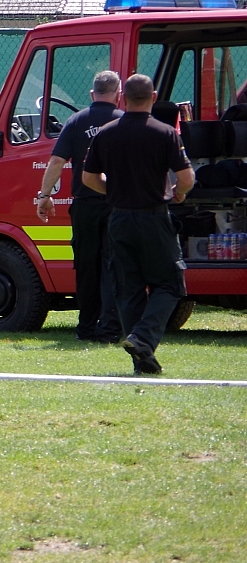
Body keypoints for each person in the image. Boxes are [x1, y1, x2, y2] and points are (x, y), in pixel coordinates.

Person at [80, 73, 194, 375]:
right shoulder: (165, 132)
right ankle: (143, 338)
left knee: (128, 289)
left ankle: (142, 360)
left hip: (119, 218)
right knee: (170, 284)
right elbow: (186, 178)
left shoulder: (105, 133)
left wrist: (114, 192)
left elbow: (88, 178)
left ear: (123, 98)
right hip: (154, 217)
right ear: (153, 98)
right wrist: (179, 193)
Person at [37, 70, 124, 342]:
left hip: (85, 205)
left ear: (91, 94)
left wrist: (44, 195)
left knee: (86, 267)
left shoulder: (76, 121)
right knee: (112, 266)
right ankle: (110, 328)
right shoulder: (123, 121)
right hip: (116, 204)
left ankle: (86, 328)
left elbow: (57, 161)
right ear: (119, 94)